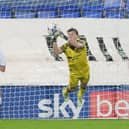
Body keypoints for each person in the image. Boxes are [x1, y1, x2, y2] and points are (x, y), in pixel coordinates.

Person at [53, 28, 90, 106]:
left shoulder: (82, 42)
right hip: (74, 73)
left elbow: (74, 44)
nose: (70, 36)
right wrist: (54, 39)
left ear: (77, 36)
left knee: (84, 84)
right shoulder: (65, 46)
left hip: (85, 70)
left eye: (72, 34)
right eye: (69, 35)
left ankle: (80, 95)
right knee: (72, 88)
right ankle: (65, 91)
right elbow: (56, 52)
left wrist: (63, 36)